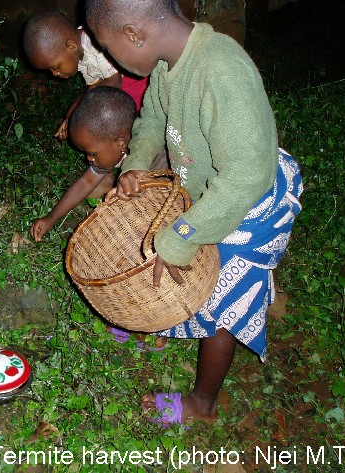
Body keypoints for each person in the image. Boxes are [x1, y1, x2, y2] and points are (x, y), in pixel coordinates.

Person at [85, 0, 303, 425]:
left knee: (224, 296)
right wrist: (134, 167)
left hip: (254, 204)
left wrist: (183, 233)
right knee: (181, 261)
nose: (113, 61)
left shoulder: (222, 72)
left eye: (111, 50)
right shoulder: (167, 66)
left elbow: (246, 177)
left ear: (134, 34)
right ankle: (167, 326)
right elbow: (150, 122)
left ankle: (203, 404)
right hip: (211, 191)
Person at [23, 11, 164, 199]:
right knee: (106, 135)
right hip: (117, 95)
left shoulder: (93, 43)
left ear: (71, 45)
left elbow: (113, 81)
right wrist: (71, 115)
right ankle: (110, 171)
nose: (54, 74)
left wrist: (77, 110)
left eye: (55, 66)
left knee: (125, 133)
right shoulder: (78, 55)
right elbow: (94, 86)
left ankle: (139, 171)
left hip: (134, 90)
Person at [29, 86, 136, 243]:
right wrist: (51, 218)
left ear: (121, 143)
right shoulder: (115, 146)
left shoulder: (151, 156)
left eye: (93, 153)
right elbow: (86, 182)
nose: (89, 159)